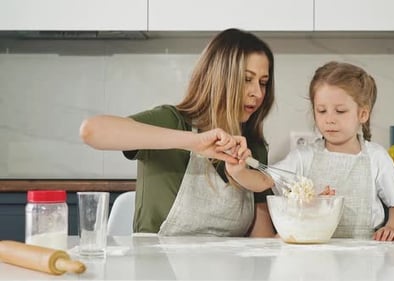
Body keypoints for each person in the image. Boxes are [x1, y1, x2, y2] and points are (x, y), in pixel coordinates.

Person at [79, 28, 277, 237]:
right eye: (247, 79)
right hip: (156, 267)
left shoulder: (252, 148)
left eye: (263, 83)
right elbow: (91, 131)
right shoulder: (170, 121)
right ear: (220, 78)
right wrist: (193, 141)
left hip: (229, 268)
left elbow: (260, 243)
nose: (257, 93)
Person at [273, 61, 394, 241]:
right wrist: (241, 167)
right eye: (321, 111)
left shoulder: (376, 157)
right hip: (314, 253)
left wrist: (392, 227)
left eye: (340, 111)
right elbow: (264, 179)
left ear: (362, 114)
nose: (329, 119)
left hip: (365, 255)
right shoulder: (303, 156)